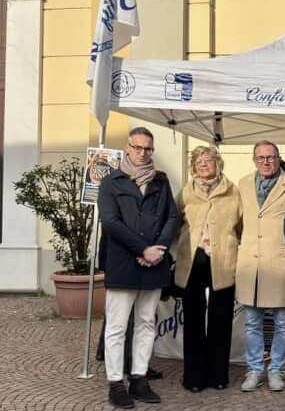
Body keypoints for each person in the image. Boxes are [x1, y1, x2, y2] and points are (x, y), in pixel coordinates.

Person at [99, 126, 179, 408]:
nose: (143, 153)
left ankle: (139, 379)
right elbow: (111, 222)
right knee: (117, 327)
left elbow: (172, 217)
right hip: (123, 264)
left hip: (154, 263)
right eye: (138, 147)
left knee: (146, 323)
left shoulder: (161, 181)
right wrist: (142, 249)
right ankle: (115, 384)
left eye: (148, 149)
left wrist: (159, 249)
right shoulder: (111, 181)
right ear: (128, 147)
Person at [173, 147, 241, 393]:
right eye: (198, 161)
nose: (203, 164)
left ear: (218, 163)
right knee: (193, 320)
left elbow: (241, 226)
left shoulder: (233, 191)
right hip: (192, 262)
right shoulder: (185, 192)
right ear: (193, 167)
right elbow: (174, 223)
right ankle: (193, 376)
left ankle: (218, 375)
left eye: (208, 160)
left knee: (221, 319)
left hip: (223, 262)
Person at [235, 140, 285, 393]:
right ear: (254, 160)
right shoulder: (243, 184)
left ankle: (277, 369)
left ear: (279, 158)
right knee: (252, 322)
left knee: (282, 322)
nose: (266, 162)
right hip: (251, 263)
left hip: (280, 261)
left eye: (271, 157)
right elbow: (238, 221)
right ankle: (254, 369)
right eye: (261, 157)